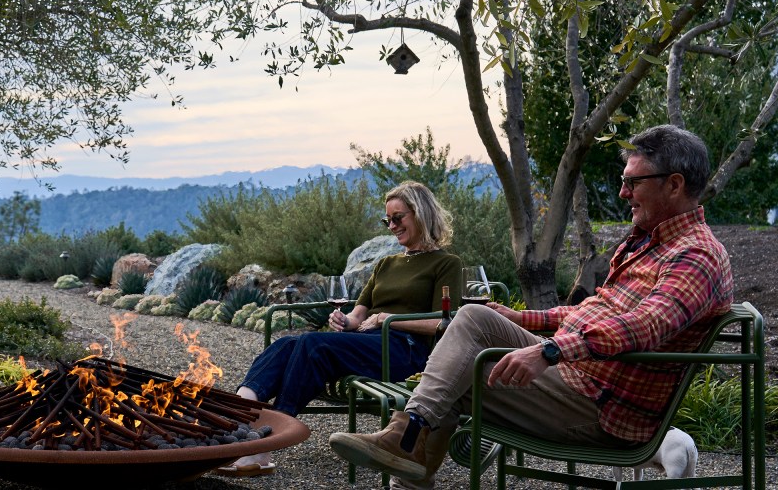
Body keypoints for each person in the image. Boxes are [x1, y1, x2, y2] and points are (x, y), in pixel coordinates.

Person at [328, 125, 734, 490]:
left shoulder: (695, 255)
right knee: (475, 318)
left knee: (454, 375)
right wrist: (522, 318)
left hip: (600, 408)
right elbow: (598, 309)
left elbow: (647, 324)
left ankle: (405, 442)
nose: (623, 193)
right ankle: (406, 440)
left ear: (674, 185)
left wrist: (549, 350)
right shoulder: (649, 242)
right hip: (576, 379)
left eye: (632, 182)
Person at [215, 181, 463, 478]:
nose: (392, 226)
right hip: (369, 343)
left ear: (420, 213)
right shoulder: (386, 264)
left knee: (312, 344)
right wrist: (345, 322)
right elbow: (358, 315)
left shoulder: (446, 264)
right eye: (387, 220)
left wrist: (386, 318)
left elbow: (443, 324)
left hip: (405, 351)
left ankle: (265, 443)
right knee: (286, 344)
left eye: (398, 218)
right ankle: (240, 414)